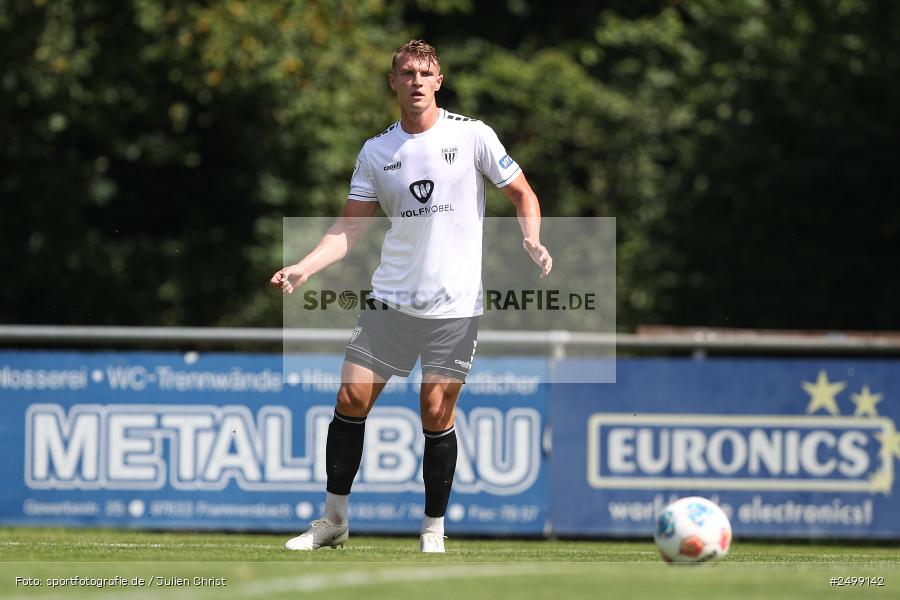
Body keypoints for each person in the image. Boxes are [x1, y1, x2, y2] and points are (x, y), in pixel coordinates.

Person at [269, 40, 552, 553]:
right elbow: (348, 231)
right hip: (391, 300)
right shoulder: (377, 152)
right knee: (350, 398)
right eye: (406, 73)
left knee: (435, 410)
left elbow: (523, 193)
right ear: (393, 83)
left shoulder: (473, 136)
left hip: (454, 306)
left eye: (425, 72)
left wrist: (530, 236)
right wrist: (304, 268)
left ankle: (432, 531)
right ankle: (334, 520)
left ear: (439, 81)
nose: (416, 81)